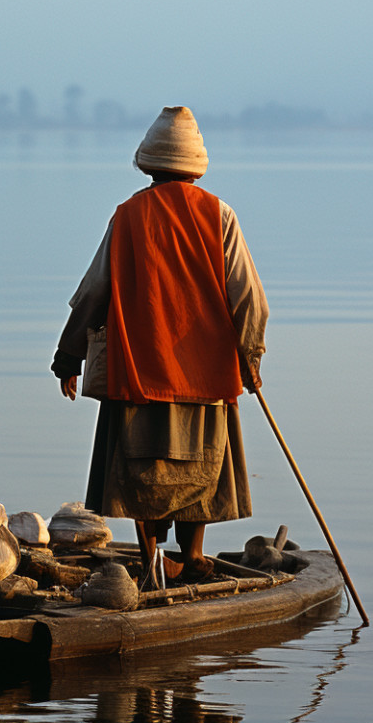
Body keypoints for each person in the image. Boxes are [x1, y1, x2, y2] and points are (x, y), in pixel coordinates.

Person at [52, 106, 268, 585]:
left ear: (149, 164)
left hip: (138, 367)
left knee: (138, 466)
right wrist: (251, 357)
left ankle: (151, 558)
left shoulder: (128, 216)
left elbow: (94, 292)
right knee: (203, 466)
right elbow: (250, 299)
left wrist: (68, 356)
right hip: (207, 371)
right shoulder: (220, 215)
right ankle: (192, 557)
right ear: (194, 166)